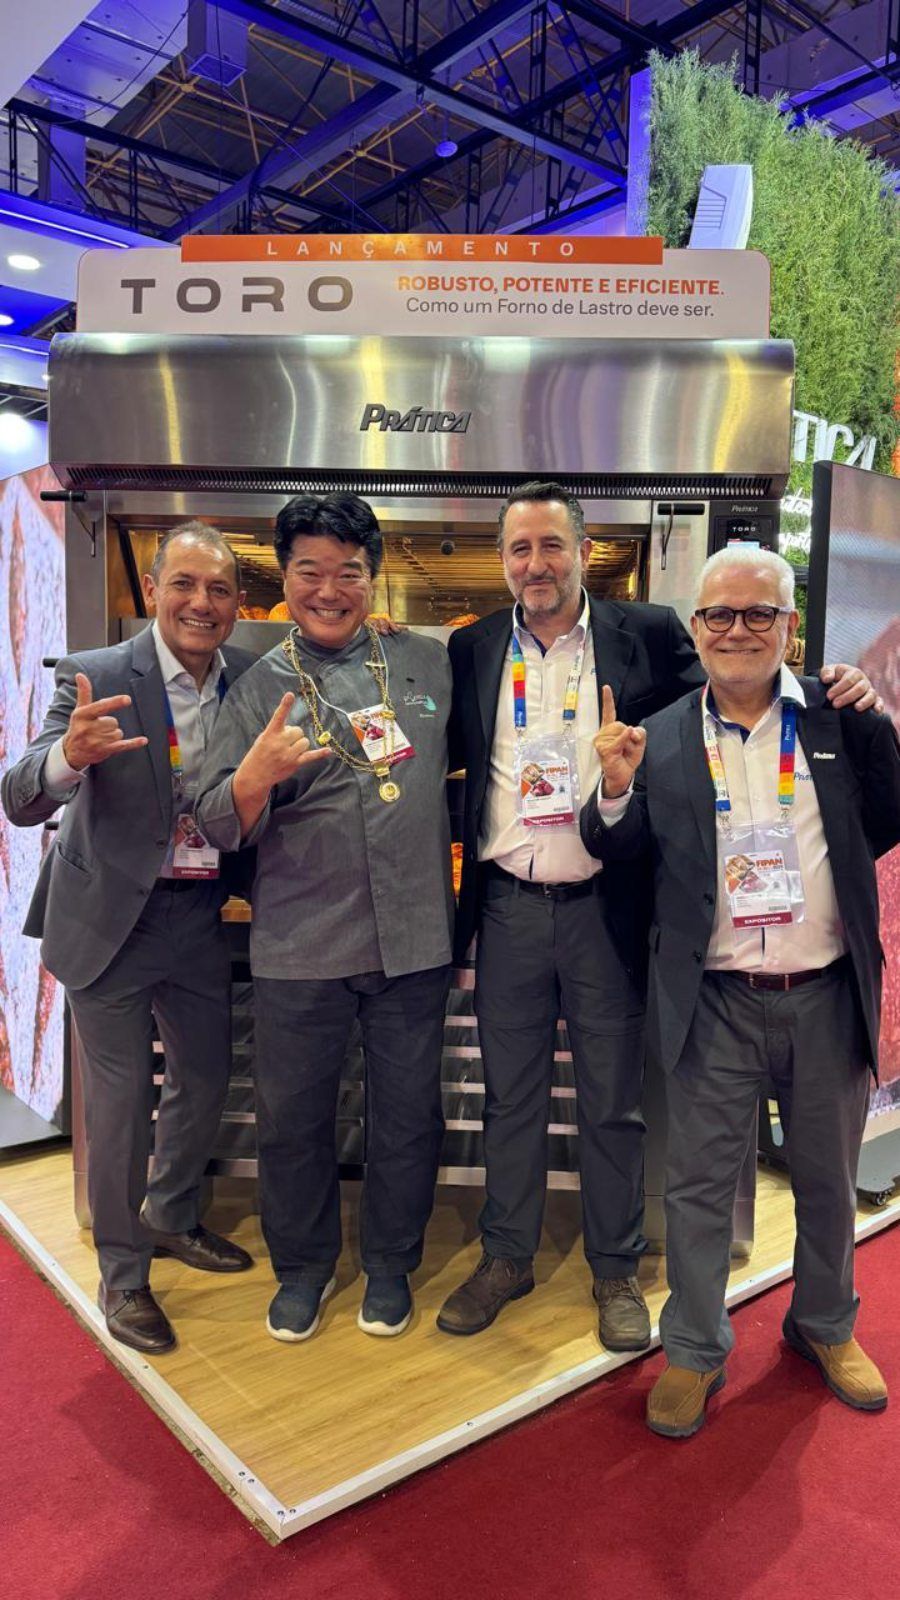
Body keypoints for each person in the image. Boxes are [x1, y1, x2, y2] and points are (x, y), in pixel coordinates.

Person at [437, 481, 879, 1349]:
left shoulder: (645, 632)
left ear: (583, 551)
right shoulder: (473, 646)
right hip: (510, 906)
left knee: (612, 1102)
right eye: (520, 548)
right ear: (503, 561)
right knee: (510, 1097)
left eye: (552, 545)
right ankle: (507, 1254)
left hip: (609, 908)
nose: (536, 564)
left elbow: (737, 690)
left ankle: (614, 1269)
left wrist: (841, 683)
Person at [582, 546, 900, 1436]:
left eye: (760, 613)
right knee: (699, 1188)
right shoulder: (658, 734)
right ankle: (693, 1348)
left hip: (825, 990)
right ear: (696, 627)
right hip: (712, 1000)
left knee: (829, 1179)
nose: (738, 630)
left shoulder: (841, 717)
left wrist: (882, 716)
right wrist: (614, 792)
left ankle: (824, 1325)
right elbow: (620, 855)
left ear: (789, 626)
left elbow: (885, 821)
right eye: (719, 614)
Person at [195, 493, 454, 1343]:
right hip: (300, 941)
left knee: (408, 1116)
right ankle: (303, 1269)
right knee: (294, 1120)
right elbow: (215, 821)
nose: (329, 589)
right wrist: (252, 778)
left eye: (349, 572)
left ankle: (391, 1264)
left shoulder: (426, 664)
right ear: (284, 579)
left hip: (413, 936)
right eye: (310, 571)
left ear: (374, 579)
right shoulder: (256, 686)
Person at [1, 524, 256, 1354]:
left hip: (198, 914)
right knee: (118, 1109)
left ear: (237, 604)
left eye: (218, 589)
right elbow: (19, 795)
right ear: (151, 591)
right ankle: (123, 1274)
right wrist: (67, 760)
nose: (201, 603)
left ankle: (171, 1214)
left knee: (205, 1078)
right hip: (107, 919)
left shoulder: (249, 680)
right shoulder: (95, 674)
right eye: (184, 584)